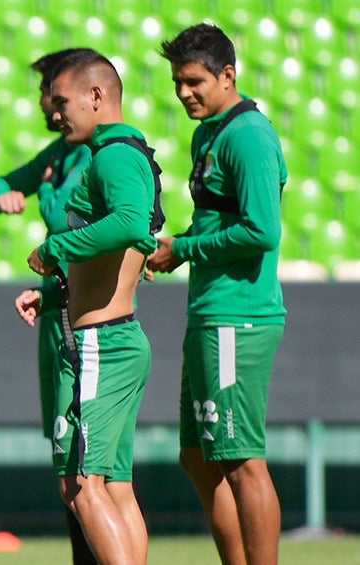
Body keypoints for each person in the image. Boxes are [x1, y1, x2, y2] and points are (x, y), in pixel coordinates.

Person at [15, 49, 159, 564]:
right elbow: (117, 254)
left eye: (63, 101)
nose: (56, 113)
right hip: (116, 334)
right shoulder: (124, 151)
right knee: (114, 487)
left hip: (101, 344)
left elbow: (129, 225)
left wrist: (55, 248)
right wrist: (54, 291)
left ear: (97, 96)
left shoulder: (114, 155)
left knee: (81, 485)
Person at [151, 23, 287, 565]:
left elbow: (262, 230)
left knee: (241, 459)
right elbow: (217, 218)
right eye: (178, 83)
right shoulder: (206, 132)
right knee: (197, 455)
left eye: (193, 81)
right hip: (209, 311)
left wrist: (183, 248)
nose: (184, 93)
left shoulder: (248, 135)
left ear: (227, 76)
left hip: (239, 314)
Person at [0, 49, 96, 565]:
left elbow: (125, 228)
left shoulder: (106, 154)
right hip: (56, 312)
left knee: (90, 471)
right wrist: (3, 195)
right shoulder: (57, 155)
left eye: (53, 95)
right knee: (67, 468)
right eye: (44, 97)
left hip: (90, 317)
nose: (47, 107)